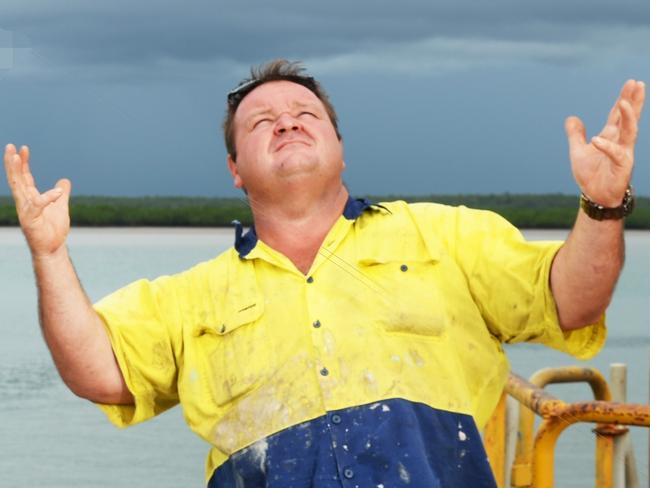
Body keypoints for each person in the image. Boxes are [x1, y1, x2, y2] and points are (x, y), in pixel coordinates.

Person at [3, 59, 645, 487]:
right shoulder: (190, 298)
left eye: (305, 115)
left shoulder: (444, 237)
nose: (286, 120)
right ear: (234, 169)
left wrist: (602, 204)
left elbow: (573, 301)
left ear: (340, 146)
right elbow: (95, 372)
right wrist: (49, 253)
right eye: (262, 122)